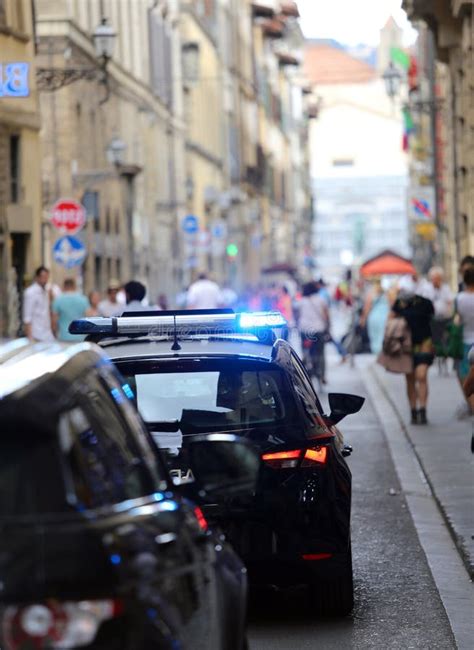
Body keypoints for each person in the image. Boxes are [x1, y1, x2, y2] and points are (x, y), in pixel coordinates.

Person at [392, 278, 435, 425]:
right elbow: (391, 320)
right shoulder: (399, 303)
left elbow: (433, 319)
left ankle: (422, 410)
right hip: (406, 346)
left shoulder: (425, 303)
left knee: (421, 376)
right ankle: (413, 411)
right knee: (410, 379)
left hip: (424, 343)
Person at [298, 281, 330, 386]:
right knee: (320, 353)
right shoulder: (321, 300)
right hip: (318, 330)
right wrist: (328, 327)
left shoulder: (301, 301)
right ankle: (322, 376)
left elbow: (297, 315)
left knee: (305, 351)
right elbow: (326, 315)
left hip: (305, 330)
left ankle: (306, 371)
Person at [454, 266, 474, 417]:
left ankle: (471, 406)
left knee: (467, 379)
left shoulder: (459, 299)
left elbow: (456, 320)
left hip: (465, 342)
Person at [22, 266, 55, 342]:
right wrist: (30, 337)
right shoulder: (30, 292)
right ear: (37, 277)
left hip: (47, 334)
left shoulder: (46, 291)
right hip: (36, 334)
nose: (45, 280)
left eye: (47, 277)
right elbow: (27, 317)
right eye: (43, 277)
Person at [360, 280, 389, 355]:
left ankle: (377, 353)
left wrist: (363, 319)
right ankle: (382, 352)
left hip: (374, 317)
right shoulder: (386, 294)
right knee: (383, 336)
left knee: (374, 337)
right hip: (385, 317)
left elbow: (367, 308)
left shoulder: (371, 294)